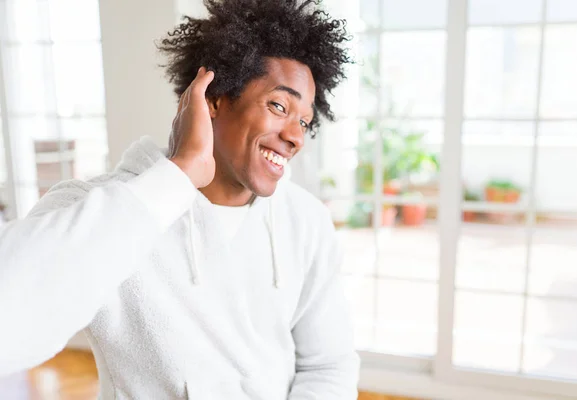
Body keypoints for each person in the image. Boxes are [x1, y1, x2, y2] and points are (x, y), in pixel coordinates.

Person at [0, 0, 359, 398]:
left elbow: (328, 365)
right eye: (279, 105)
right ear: (213, 99)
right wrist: (180, 174)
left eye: (305, 121)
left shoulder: (305, 220)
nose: (296, 137)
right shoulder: (98, 207)